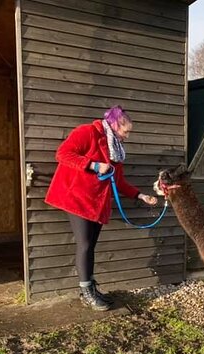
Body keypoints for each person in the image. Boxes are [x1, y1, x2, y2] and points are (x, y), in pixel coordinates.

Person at [45, 105, 158, 311]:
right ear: (115, 125)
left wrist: (140, 195)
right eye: (126, 131)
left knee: (90, 246)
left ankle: (89, 287)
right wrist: (94, 165)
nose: (127, 136)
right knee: (85, 244)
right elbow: (62, 154)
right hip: (76, 198)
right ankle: (87, 292)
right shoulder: (87, 132)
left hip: (96, 203)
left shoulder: (116, 148)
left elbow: (119, 181)